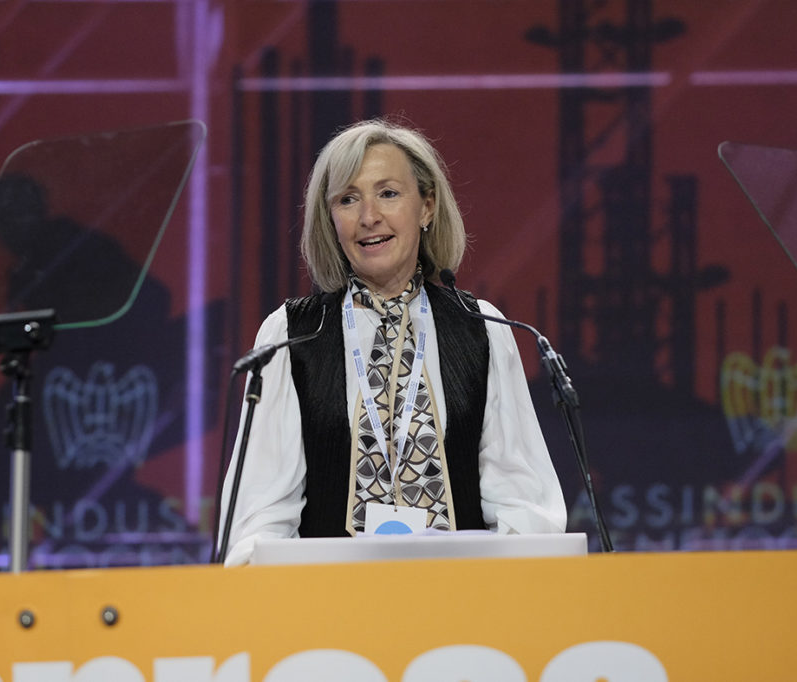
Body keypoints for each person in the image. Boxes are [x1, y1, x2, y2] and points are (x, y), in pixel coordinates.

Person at [219, 118, 566, 566]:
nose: (368, 217)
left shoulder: (481, 329)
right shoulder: (291, 335)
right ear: (330, 220)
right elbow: (259, 519)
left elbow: (524, 506)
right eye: (347, 199)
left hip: (460, 597)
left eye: (388, 193)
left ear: (427, 207)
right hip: (329, 601)